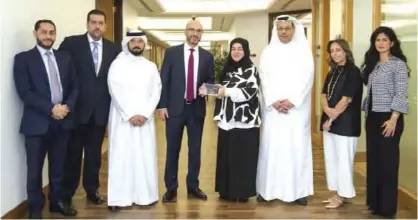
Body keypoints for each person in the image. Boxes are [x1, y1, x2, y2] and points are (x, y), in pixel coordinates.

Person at [13, 19, 78, 218]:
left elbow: (75, 87)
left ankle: (56, 202)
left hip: (62, 121)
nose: (48, 36)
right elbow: (25, 92)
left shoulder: (65, 57)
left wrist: (66, 107)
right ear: (35, 34)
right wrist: (51, 109)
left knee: (59, 168)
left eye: (52, 32)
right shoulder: (23, 59)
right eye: (44, 32)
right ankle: (35, 209)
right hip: (36, 123)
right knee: (34, 170)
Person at [58, 9, 120, 205]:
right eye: (93, 22)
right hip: (75, 111)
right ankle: (67, 193)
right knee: (73, 155)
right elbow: (60, 74)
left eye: (101, 23)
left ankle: (92, 190)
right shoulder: (71, 44)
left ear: (105, 26)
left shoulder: (113, 49)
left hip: (100, 111)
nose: (97, 26)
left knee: (94, 156)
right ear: (87, 24)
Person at [256, 15, 314, 206]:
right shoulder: (268, 52)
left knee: (296, 149)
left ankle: (298, 192)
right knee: (271, 149)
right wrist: (274, 101)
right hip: (274, 110)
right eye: (280, 28)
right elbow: (263, 78)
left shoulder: (304, 52)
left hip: (296, 111)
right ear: (276, 30)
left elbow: (308, 79)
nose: (283, 32)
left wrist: (292, 101)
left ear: (294, 29)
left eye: (287, 28)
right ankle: (267, 190)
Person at [157, 18, 215, 202]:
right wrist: (162, 105)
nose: (195, 34)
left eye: (199, 31)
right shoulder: (172, 53)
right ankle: (171, 188)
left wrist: (207, 88)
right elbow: (163, 80)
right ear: (185, 31)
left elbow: (212, 82)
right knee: (172, 149)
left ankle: (193, 186)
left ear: (201, 34)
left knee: (195, 150)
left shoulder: (207, 56)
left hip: (196, 110)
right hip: (174, 109)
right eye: (192, 30)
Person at [106, 30, 161, 211]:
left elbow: (156, 92)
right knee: (121, 157)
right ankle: (119, 199)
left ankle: (146, 196)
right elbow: (114, 91)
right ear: (127, 43)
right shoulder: (117, 65)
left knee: (144, 157)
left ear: (144, 44)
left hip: (145, 120)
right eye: (133, 41)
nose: (137, 44)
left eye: (140, 41)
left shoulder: (151, 66)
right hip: (123, 120)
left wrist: (145, 113)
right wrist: (129, 114)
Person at [361, 26, 410, 218]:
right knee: (374, 161)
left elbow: (401, 93)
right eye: (377, 40)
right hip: (372, 117)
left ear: (392, 43)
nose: (380, 43)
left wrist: (394, 119)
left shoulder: (398, 64)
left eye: (384, 40)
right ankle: (375, 203)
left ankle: (388, 208)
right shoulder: (373, 64)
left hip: (390, 117)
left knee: (388, 163)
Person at [213, 37, 261, 203]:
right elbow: (220, 91)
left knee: (242, 157)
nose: (236, 51)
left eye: (240, 48)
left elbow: (249, 93)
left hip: (244, 120)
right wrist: (208, 90)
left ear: (246, 51)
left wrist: (226, 91)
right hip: (226, 120)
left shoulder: (251, 69)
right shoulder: (227, 69)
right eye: (233, 48)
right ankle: (226, 190)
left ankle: (241, 192)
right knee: (226, 156)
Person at [320, 39, 363, 208]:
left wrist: (330, 118)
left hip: (346, 124)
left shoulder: (353, 72)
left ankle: (343, 194)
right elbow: (323, 94)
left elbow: (346, 100)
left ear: (346, 51)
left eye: (338, 50)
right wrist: (326, 110)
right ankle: (337, 193)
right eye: (332, 51)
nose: (335, 53)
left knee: (344, 161)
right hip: (330, 122)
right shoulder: (333, 71)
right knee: (332, 159)